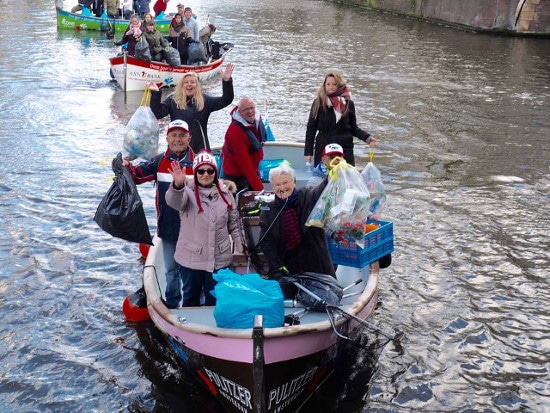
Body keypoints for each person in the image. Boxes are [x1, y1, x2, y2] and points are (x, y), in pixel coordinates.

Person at [122, 120, 195, 309]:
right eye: (174, 135)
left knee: (192, 271)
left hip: (194, 229)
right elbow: (137, 176)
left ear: (189, 138)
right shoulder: (159, 161)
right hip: (168, 226)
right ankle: (172, 304)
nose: (178, 139)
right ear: (167, 138)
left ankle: (192, 304)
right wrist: (126, 165)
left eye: (182, 135)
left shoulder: (199, 163)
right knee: (171, 270)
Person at [165, 150, 243, 307]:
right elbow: (174, 201)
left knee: (215, 299)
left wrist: (242, 248)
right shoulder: (187, 192)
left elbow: (234, 224)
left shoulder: (226, 194)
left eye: (210, 171)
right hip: (191, 261)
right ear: (195, 173)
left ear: (215, 172)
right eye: (201, 171)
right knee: (190, 298)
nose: (205, 174)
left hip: (219, 260)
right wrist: (177, 185)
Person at [258, 163, 336, 283]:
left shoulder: (306, 196)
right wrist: (277, 266)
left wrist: (329, 178)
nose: (282, 187)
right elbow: (266, 242)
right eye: (277, 184)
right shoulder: (268, 210)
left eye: (285, 182)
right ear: (273, 187)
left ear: (294, 182)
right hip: (287, 267)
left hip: (315, 262)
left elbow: (319, 192)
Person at [148, 63, 235, 153]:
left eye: (192, 82)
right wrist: (155, 94)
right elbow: (157, 113)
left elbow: (226, 100)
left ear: (197, 86)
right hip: (177, 147)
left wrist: (226, 81)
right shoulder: (173, 100)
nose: (189, 84)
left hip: (200, 148)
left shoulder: (205, 101)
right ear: (182, 85)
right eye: (186, 82)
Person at [305, 70, 377, 168]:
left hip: (344, 150)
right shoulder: (318, 103)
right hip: (324, 150)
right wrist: (308, 152)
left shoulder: (348, 104)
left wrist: (368, 138)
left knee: (346, 176)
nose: (331, 87)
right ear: (324, 86)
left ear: (339, 85)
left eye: (334, 84)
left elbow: (353, 128)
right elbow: (311, 128)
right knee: (324, 176)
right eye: (328, 84)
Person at [221, 96, 267, 192]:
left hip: (253, 168)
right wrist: (260, 189)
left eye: (252, 108)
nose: (250, 111)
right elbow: (244, 164)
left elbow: (258, 141)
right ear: (240, 112)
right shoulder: (235, 132)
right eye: (246, 109)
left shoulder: (256, 118)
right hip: (235, 175)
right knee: (240, 199)